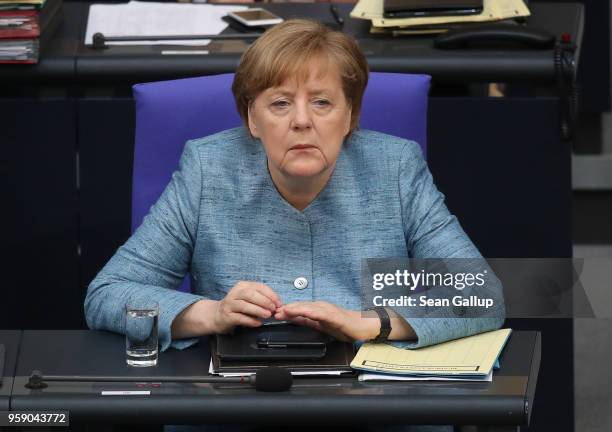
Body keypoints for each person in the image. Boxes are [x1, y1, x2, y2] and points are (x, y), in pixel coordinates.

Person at [85, 19, 503, 360]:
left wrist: (372, 323)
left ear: (350, 116)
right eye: (280, 103)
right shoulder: (207, 168)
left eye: (322, 102)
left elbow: (481, 295)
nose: (301, 121)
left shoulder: (395, 167)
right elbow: (107, 295)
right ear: (252, 118)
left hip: (371, 406)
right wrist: (211, 313)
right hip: (235, 408)